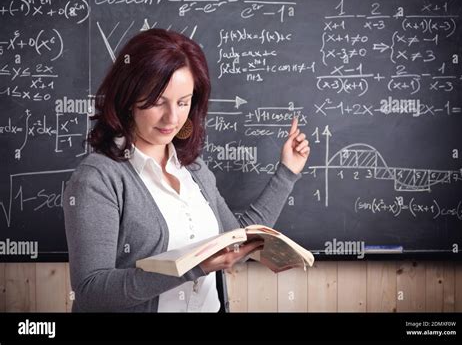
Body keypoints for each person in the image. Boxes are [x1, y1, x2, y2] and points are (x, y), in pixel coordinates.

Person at [63, 28, 310, 312]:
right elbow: (91, 292)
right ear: (129, 98)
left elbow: (237, 242)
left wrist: (287, 172)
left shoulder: (194, 169)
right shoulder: (98, 178)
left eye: (183, 103)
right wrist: (194, 267)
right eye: (158, 102)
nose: (173, 118)